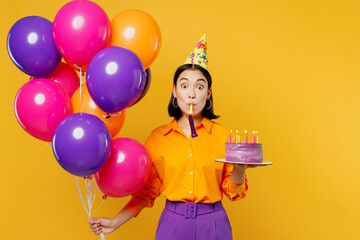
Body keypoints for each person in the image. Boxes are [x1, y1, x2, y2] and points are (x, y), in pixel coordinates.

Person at [89, 34, 261, 239]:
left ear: (208, 94)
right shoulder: (158, 138)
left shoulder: (225, 136)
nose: (191, 94)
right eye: (184, 85)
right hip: (173, 224)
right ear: (175, 91)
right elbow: (146, 192)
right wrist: (114, 222)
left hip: (213, 224)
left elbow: (234, 192)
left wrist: (240, 170)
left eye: (199, 86)